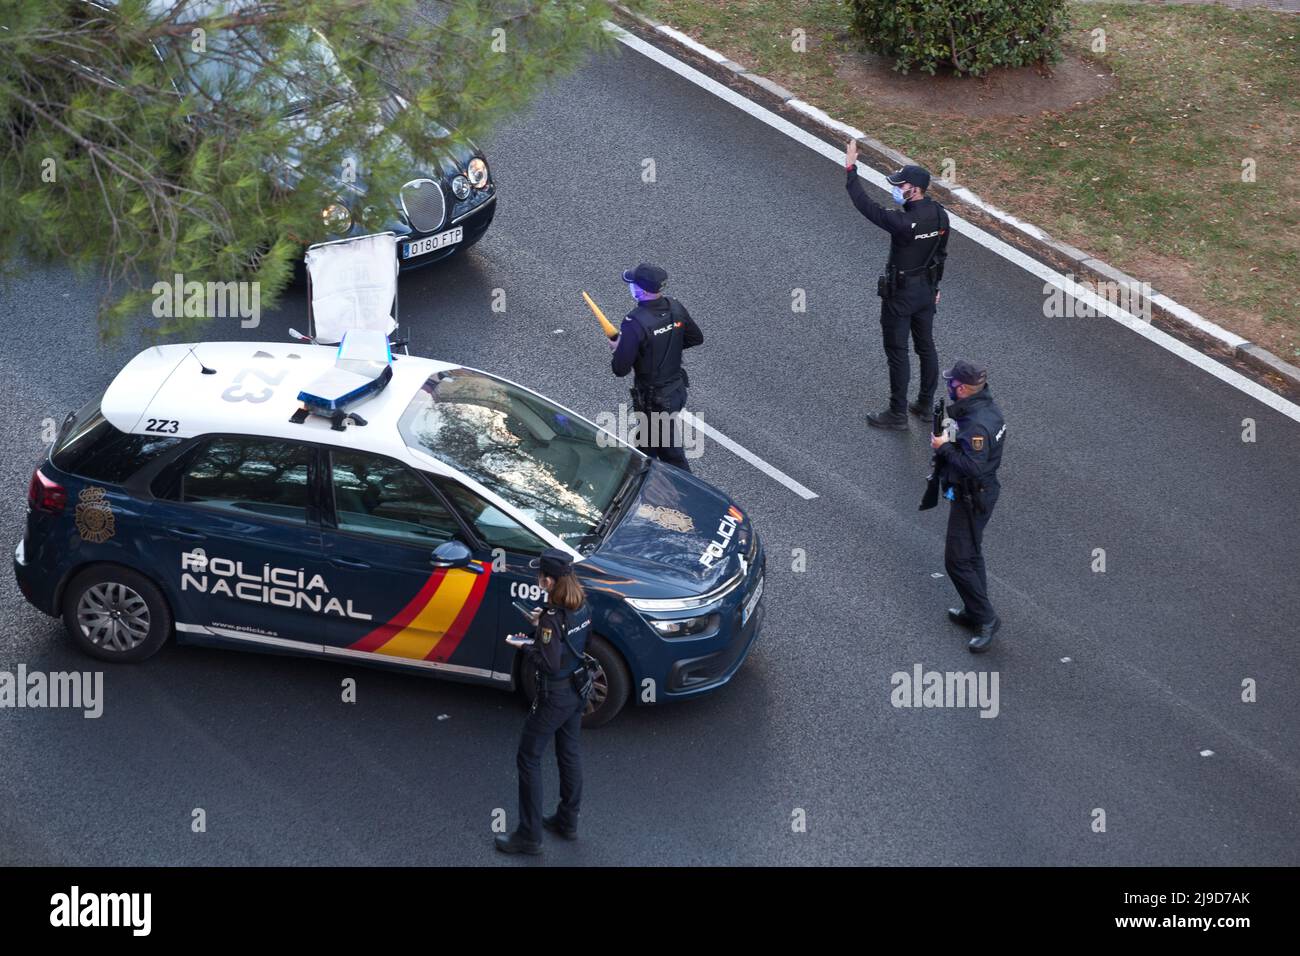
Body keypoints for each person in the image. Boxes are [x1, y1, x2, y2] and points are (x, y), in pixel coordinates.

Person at [844, 142, 950, 431]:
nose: (896, 189)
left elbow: (867, 207)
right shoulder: (941, 216)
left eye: (900, 185)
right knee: (926, 347)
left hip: (901, 294)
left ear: (914, 189)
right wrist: (936, 285)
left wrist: (851, 170)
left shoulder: (904, 223)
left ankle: (897, 413)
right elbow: (940, 253)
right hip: (927, 292)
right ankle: (925, 406)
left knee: (897, 351)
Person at [495, 548, 593, 855]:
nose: (538, 578)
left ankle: (529, 835)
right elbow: (576, 642)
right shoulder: (580, 605)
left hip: (555, 695)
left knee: (528, 757)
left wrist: (525, 644)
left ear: (549, 581)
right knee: (569, 752)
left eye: (540, 575)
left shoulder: (553, 618)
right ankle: (567, 819)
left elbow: (548, 663)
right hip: (578, 689)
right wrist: (544, 626)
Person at [929, 361, 1006, 653]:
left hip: (972, 494)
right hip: (980, 492)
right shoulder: (987, 409)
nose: (949, 387)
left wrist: (944, 447)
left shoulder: (976, 424)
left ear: (961, 388)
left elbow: (973, 467)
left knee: (956, 561)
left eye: (951, 384)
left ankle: (986, 618)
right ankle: (975, 610)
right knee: (971, 554)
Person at [610, 263, 704, 471]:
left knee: (672, 458)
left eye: (632, 284)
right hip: (677, 391)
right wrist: (664, 347)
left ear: (641, 291)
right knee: (645, 446)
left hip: (655, 402)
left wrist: (618, 348)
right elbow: (696, 338)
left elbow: (620, 368)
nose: (630, 287)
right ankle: (635, 475)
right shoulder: (675, 306)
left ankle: (689, 494)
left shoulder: (634, 322)